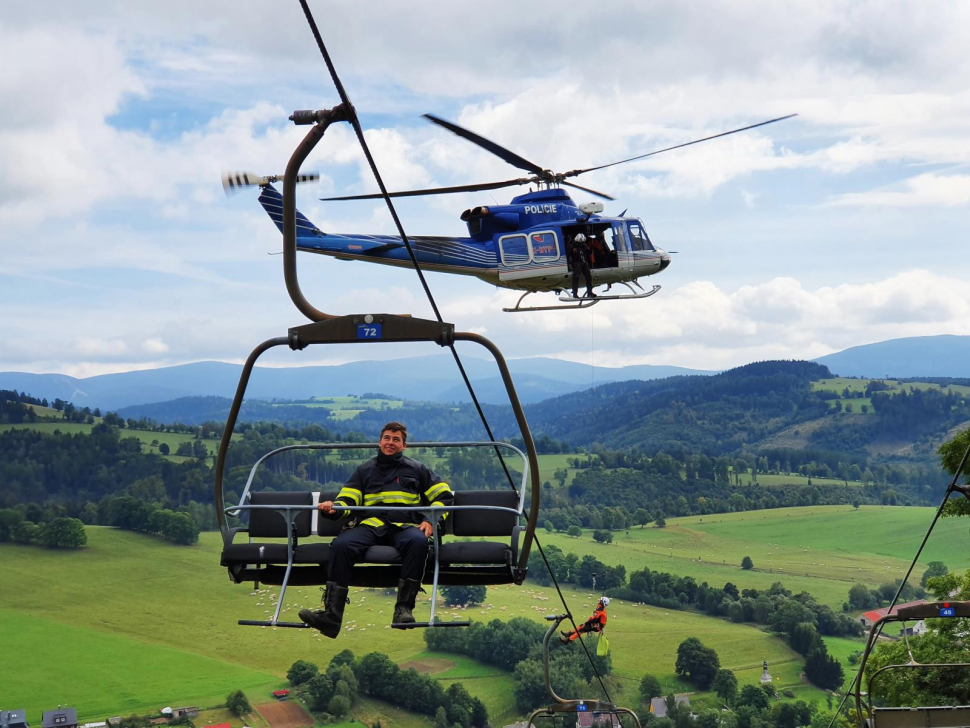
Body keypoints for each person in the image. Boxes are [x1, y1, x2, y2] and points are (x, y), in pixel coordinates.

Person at [298, 421, 454, 638]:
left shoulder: (417, 469)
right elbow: (348, 500)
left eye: (396, 439)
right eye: (387, 438)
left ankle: (403, 610)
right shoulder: (364, 470)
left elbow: (444, 497)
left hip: (403, 526)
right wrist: (333, 509)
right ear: (380, 441)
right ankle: (331, 617)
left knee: (418, 542)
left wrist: (429, 519)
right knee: (342, 545)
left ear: (404, 445)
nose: (390, 443)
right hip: (370, 526)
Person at [568, 233, 596, 299]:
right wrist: (569, 264)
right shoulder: (572, 246)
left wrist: (591, 248)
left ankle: (590, 293)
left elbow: (588, 252)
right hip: (576, 263)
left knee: (588, 277)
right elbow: (568, 255)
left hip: (584, 263)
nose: (580, 244)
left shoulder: (584, 245)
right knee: (576, 277)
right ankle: (575, 293)